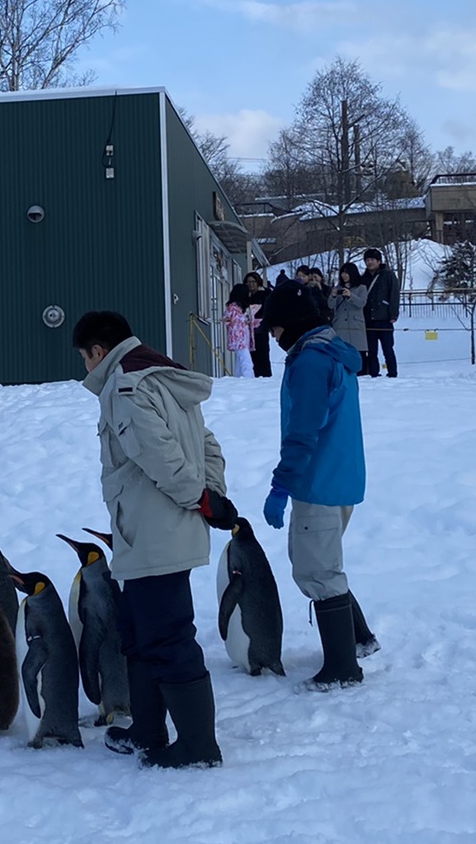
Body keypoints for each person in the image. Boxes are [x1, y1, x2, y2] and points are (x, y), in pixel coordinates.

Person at [72, 310, 238, 767]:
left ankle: (198, 746)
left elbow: (159, 457)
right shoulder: (161, 375)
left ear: (99, 352)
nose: (85, 366)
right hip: (151, 534)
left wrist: (203, 499)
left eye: (85, 357)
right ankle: (148, 729)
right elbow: (207, 444)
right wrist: (212, 495)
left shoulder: (125, 387)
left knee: (167, 638)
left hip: (155, 534)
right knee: (140, 634)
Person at [255, 280, 372, 688]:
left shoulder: (310, 362)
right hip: (341, 478)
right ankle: (360, 638)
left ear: (290, 323)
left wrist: (280, 487)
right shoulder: (331, 350)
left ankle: (342, 668)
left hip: (319, 481)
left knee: (318, 570)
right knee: (325, 561)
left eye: (273, 328)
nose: (272, 337)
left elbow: (303, 433)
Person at [360, 248, 400, 378]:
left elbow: (394, 295)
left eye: (372, 260)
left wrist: (393, 314)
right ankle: (373, 373)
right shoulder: (363, 278)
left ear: (378, 261)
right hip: (368, 319)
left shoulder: (388, 275)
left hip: (384, 318)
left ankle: (392, 373)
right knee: (371, 350)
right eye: (367, 260)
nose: (369, 262)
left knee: (388, 349)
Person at [330, 261, 369, 352]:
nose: (344, 275)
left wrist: (351, 295)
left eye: (346, 272)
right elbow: (331, 305)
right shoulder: (337, 287)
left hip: (356, 326)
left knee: (358, 354)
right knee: (341, 353)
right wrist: (333, 296)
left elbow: (362, 303)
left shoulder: (361, 288)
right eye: (342, 272)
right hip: (340, 326)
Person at [224, 299, 254, 378]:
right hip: (239, 339)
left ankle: (238, 378)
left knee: (240, 361)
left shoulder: (238, 308)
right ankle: (248, 378)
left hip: (241, 339)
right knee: (246, 361)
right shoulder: (233, 308)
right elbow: (227, 321)